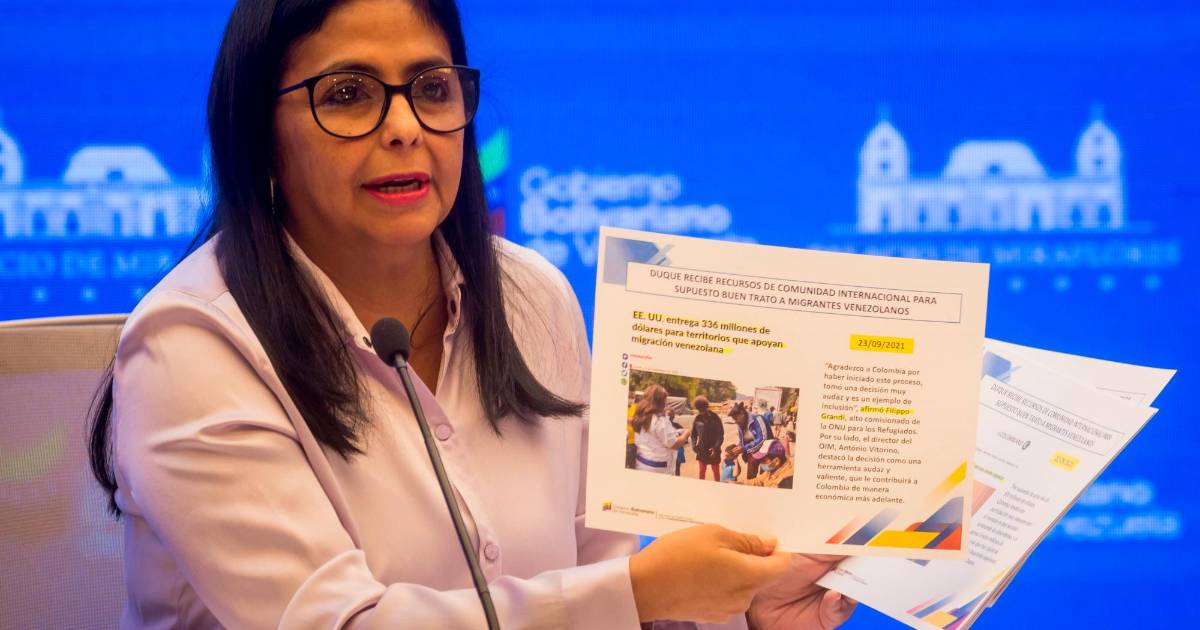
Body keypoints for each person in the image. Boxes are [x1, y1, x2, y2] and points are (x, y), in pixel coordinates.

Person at [83, 1, 855, 628]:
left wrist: (748, 614)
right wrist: (639, 592)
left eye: (431, 88)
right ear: (260, 135)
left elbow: (606, 581)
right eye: (348, 94)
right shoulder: (192, 345)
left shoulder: (531, 297)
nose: (405, 127)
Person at [633, 385, 691, 474]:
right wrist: (686, 433)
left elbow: (654, 436)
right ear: (660, 401)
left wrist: (675, 432)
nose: (666, 403)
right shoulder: (660, 420)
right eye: (665, 400)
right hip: (658, 468)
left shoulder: (640, 415)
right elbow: (674, 444)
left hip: (641, 463)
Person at [731, 402, 772, 481]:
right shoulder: (740, 425)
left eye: (736, 418)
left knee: (765, 477)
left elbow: (763, 438)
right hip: (752, 454)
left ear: (742, 414)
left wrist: (744, 449)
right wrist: (739, 447)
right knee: (750, 478)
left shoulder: (757, 419)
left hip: (766, 453)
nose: (735, 421)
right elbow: (743, 440)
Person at [690, 396, 724, 481]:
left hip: (714, 450)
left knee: (716, 471)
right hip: (702, 450)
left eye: (703, 410)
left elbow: (720, 434)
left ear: (706, 407)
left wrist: (715, 448)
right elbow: (693, 434)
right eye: (700, 410)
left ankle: (717, 486)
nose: (702, 412)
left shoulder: (715, 418)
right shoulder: (697, 419)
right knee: (702, 471)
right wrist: (694, 445)